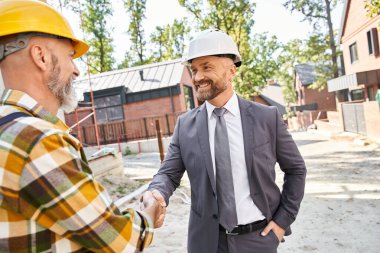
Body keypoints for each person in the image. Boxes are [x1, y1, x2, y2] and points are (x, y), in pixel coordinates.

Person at [0, 0, 161, 252]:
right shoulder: (37, 140)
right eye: (70, 56)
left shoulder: (7, 128)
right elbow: (121, 241)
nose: (76, 71)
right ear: (41, 56)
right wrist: (148, 213)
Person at [141, 29, 307, 253]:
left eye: (207, 67)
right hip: (206, 244)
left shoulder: (267, 118)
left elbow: (296, 169)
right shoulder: (185, 126)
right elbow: (168, 174)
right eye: (194, 70)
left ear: (231, 71)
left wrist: (281, 223)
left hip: (258, 240)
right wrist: (157, 193)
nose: (198, 77)